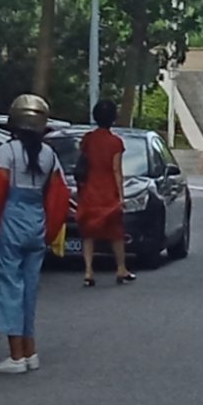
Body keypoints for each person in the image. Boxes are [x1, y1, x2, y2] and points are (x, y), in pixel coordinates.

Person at [0, 93, 70, 374]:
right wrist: (49, 231)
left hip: (11, 219)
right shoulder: (49, 155)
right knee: (30, 288)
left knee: (9, 286)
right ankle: (31, 352)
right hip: (37, 221)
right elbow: (59, 195)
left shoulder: (8, 151)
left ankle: (15, 356)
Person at [76, 98, 133, 287]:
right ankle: (121, 268)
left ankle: (88, 270)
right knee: (115, 232)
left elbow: (83, 161)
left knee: (88, 231)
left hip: (90, 189)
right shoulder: (115, 142)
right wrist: (121, 195)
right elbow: (116, 169)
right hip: (108, 191)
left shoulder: (88, 139)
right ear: (113, 118)